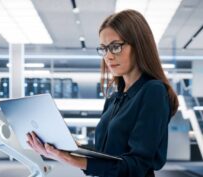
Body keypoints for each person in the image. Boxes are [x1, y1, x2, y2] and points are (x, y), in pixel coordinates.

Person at [27, 9, 179, 177]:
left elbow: (137, 165)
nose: (108, 56)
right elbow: (106, 155)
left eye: (115, 47)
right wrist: (64, 148)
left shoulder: (153, 91)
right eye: (104, 49)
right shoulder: (114, 98)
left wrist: (71, 160)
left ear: (138, 45)